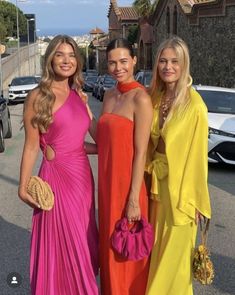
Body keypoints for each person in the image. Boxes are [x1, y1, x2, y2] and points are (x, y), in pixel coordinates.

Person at [18, 35, 99, 295]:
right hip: (56, 179)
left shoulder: (79, 95)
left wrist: (109, 149)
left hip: (82, 180)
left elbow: (79, 142)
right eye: (60, 55)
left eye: (72, 55)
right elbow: (32, 146)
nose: (66, 60)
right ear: (50, 59)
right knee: (65, 242)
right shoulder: (38, 97)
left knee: (83, 242)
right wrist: (22, 186)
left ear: (78, 61)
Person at [145, 36, 211, 295]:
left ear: (184, 65)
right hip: (154, 189)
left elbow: (198, 159)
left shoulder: (196, 106)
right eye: (162, 60)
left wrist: (197, 201)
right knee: (156, 260)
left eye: (174, 61)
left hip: (180, 197)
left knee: (173, 270)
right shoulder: (154, 99)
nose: (168, 66)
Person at [93, 38, 153, 295]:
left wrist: (133, 199)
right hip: (107, 186)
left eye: (123, 61)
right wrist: (84, 109)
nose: (118, 67)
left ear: (135, 61)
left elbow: (141, 152)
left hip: (129, 186)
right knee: (110, 248)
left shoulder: (141, 98)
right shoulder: (108, 94)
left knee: (127, 251)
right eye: (112, 63)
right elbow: (102, 140)